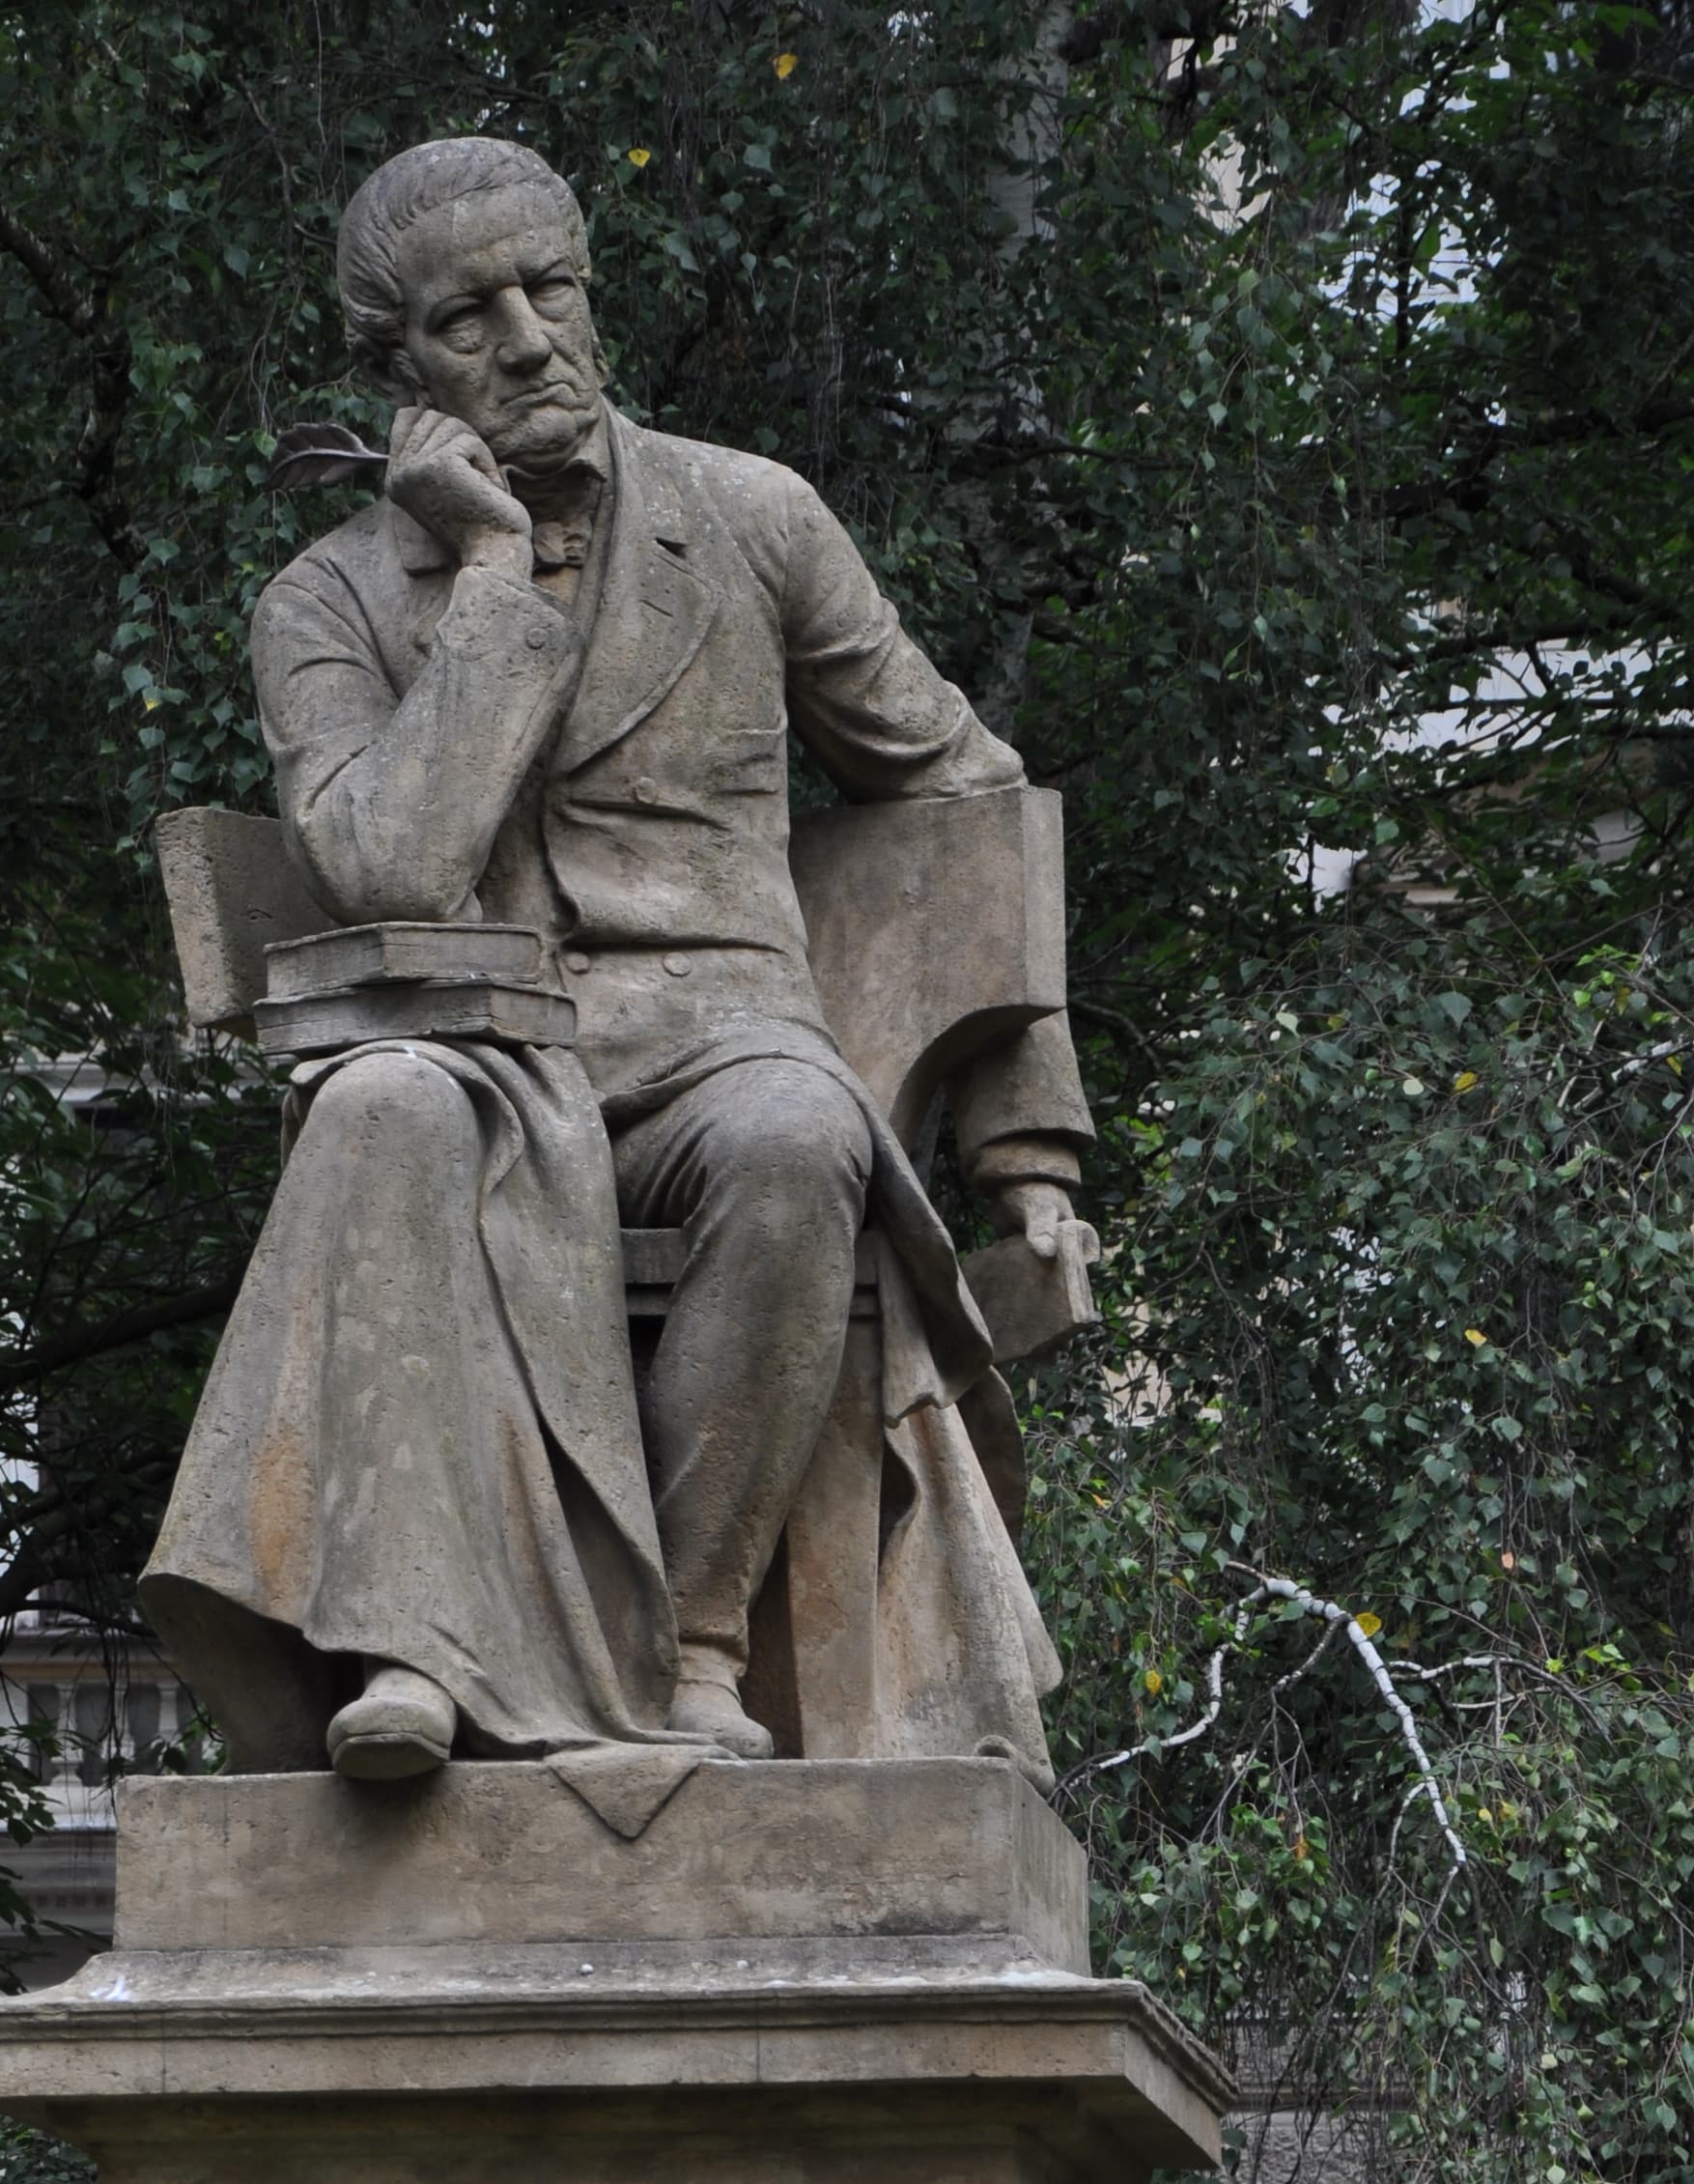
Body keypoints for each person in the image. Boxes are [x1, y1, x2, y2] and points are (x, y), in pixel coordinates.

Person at [140, 134, 1087, 1783]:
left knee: (801, 1137)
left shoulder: (750, 516)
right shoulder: (330, 600)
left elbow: (962, 787)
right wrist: (490, 572)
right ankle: (416, 1652)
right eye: (465, 319)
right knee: (382, 1112)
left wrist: (1026, 1145)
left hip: (720, 1042)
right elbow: (387, 864)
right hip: (468, 1052)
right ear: (397, 373)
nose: (524, 340)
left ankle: (695, 1651)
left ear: (591, 294)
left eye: (548, 289)